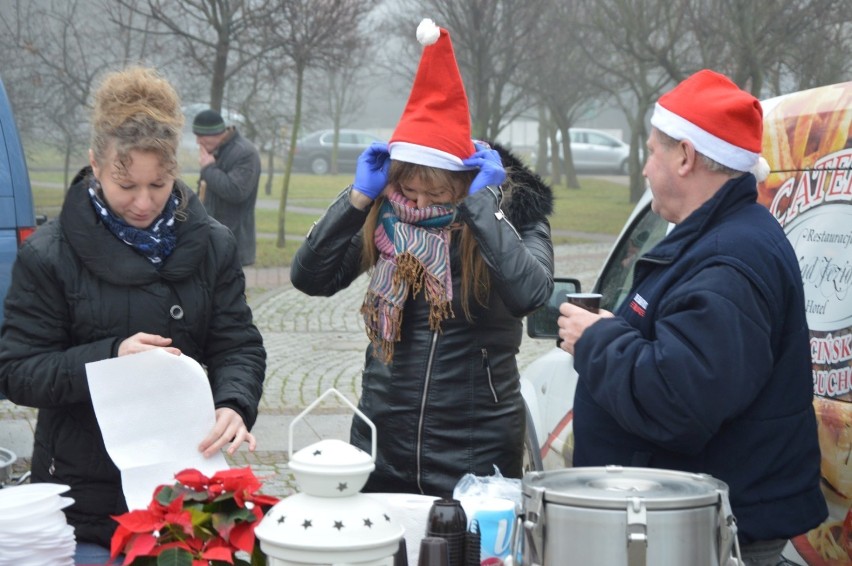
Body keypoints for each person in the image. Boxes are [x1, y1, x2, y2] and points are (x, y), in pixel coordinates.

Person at [558, 69, 827, 565]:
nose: (643, 168)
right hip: (691, 520)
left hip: (708, 535)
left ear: (685, 156)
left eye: (652, 151)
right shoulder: (719, 239)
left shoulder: (728, 262)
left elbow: (678, 402)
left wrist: (596, 340)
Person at [0, 66, 266, 564]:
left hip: (184, 493)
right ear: (95, 165)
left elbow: (238, 344)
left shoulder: (211, 244)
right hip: (81, 499)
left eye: (158, 184)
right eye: (127, 185)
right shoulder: (50, 254)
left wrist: (234, 401)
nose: (143, 203)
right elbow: (16, 372)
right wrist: (110, 358)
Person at [290, 19, 554, 497]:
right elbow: (311, 278)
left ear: (464, 181)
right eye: (407, 188)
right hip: (383, 437)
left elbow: (530, 294)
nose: (419, 203)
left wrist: (481, 209)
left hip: (476, 448)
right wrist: (355, 202)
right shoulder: (387, 214)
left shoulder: (514, 213)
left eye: (436, 193)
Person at [193, 108, 261, 266]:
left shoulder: (245, 153)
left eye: (200, 136)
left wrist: (208, 169)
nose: (198, 142)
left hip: (234, 241)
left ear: (216, 133)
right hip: (210, 239)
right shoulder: (215, 152)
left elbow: (236, 191)